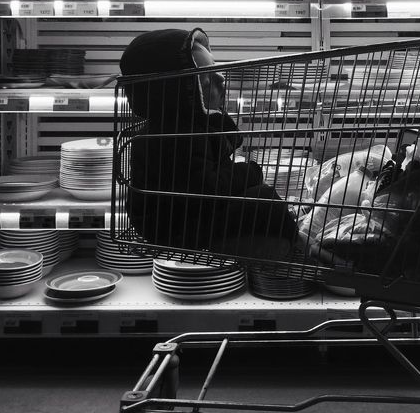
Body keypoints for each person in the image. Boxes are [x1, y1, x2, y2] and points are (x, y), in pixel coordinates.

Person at [118, 27, 298, 258]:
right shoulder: (174, 136)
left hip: (185, 218)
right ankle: (304, 248)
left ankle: (295, 245)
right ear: (180, 90)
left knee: (262, 202)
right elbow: (205, 190)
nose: (221, 78)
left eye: (217, 69)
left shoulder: (187, 125)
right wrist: (250, 171)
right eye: (206, 77)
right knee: (264, 200)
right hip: (173, 229)